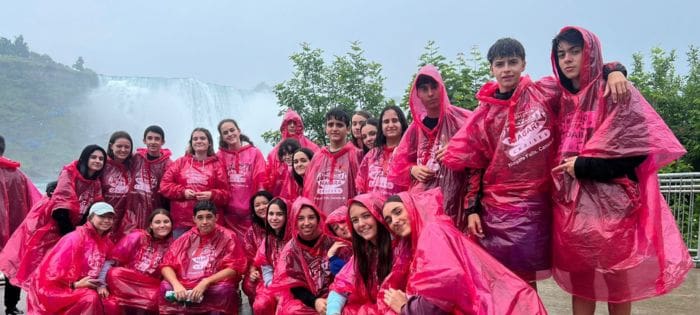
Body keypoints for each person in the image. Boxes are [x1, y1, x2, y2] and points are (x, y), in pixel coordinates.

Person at [549, 26, 692, 315]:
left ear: (590, 53)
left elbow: (637, 153)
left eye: (575, 52)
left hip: (614, 206)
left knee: (616, 279)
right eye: (561, 54)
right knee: (582, 281)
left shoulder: (614, 91)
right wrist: (614, 68)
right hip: (572, 209)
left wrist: (585, 166)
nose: (567, 60)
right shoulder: (558, 97)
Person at [380, 189, 547, 314]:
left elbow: (440, 296)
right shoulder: (426, 235)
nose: (394, 221)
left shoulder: (432, 231)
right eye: (388, 220)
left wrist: (405, 307)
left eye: (398, 212)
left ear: (412, 207)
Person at [1, 145, 106, 290]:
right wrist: (70, 235)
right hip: (48, 223)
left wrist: (79, 232)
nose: (97, 161)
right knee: (28, 261)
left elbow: (92, 209)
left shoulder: (96, 182)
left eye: (101, 159)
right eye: (93, 157)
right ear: (85, 158)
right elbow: (60, 207)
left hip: (69, 227)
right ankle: (15, 306)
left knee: (54, 266)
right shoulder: (69, 173)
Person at [388, 65, 476, 231]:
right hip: (421, 206)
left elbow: (482, 151)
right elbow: (396, 165)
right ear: (418, 94)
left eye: (434, 87)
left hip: (455, 202)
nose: (430, 93)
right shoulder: (415, 128)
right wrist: (412, 170)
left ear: (441, 88)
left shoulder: (462, 119)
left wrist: (458, 149)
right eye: (424, 89)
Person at [27, 202, 116, 314]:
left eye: (110, 217)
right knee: (90, 299)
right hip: (66, 289)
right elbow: (51, 276)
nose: (107, 220)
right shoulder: (74, 239)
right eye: (102, 216)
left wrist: (102, 285)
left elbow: (108, 266)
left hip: (93, 286)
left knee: (112, 303)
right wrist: (76, 285)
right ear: (91, 217)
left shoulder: (107, 243)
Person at [159, 200, 246, 315]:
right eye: (200, 218)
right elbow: (166, 265)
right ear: (194, 219)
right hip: (184, 284)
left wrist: (206, 282)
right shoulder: (185, 238)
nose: (204, 222)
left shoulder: (229, 237)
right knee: (165, 286)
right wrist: (176, 285)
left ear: (216, 217)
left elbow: (234, 268)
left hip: (214, 284)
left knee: (224, 291)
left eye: (209, 217)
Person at [269, 197, 342, 315]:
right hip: (305, 298)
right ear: (294, 221)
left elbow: (344, 275)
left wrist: (334, 299)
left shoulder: (331, 241)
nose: (306, 223)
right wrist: (315, 302)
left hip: (335, 294)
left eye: (311, 217)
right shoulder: (290, 249)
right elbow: (293, 285)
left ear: (318, 219)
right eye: (300, 218)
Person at [326, 193, 396, 315]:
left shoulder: (399, 249)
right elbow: (341, 285)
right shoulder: (364, 252)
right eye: (355, 220)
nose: (361, 224)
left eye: (366, 216)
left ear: (379, 215)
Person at [100, 209, 174, 314]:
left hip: (150, 285)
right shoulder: (137, 236)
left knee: (163, 295)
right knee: (115, 273)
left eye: (166, 222)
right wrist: (101, 284)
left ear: (171, 224)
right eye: (157, 222)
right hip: (128, 282)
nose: (162, 225)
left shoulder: (173, 245)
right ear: (151, 225)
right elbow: (112, 261)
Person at [160, 128, 229, 237]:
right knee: (181, 253)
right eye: (195, 139)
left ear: (209, 143)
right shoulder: (180, 162)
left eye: (202, 138)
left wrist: (212, 194)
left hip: (208, 223)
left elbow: (226, 194)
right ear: (191, 143)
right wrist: (183, 192)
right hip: (182, 223)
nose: (198, 141)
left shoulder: (217, 165)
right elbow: (164, 186)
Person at [0, 135, 41, 315]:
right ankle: (11, 307)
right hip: (15, 231)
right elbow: (36, 201)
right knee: (12, 267)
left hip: (12, 229)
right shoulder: (17, 173)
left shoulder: (16, 173)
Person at [302, 107, 361, 215]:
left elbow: (361, 191)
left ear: (348, 129)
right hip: (321, 220)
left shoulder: (356, 154)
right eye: (330, 124)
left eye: (339, 125)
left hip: (347, 221)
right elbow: (309, 190)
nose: (334, 128)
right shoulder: (318, 157)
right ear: (326, 128)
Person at [216, 118, 267, 237]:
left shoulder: (254, 153)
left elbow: (261, 178)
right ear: (222, 137)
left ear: (239, 131)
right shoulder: (220, 156)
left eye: (232, 130)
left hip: (251, 213)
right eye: (225, 133)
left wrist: (259, 206)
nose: (230, 134)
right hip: (229, 215)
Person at [356, 106, 409, 199]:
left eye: (395, 120)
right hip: (371, 210)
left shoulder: (411, 153)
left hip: (398, 211)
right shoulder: (371, 155)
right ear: (381, 126)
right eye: (386, 122)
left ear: (402, 124)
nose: (390, 125)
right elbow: (360, 186)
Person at [265, 109, 320, 196]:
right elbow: (269, 178)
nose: (292, 126)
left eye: (294, 123)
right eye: (289, 123)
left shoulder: (313, 148)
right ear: (284, 126)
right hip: (281, 199)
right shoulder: (274, 153)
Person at [252, 197, 292, 315]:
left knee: (285, 307)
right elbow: (266, 268)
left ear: (288, 216)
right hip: (273, 283)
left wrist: (283, 290)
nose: (274, 218)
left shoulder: (295, 239)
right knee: (261, 304)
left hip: (294, 286)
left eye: (279, 214)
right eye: (271, 214)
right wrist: (273, 286)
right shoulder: (268, 240)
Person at [129, 125, 173, 231]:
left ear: (163, 142)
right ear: (144, 140)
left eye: (157, 139)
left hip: (156, 211)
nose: (153, 142)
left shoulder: (168, 164)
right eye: (149, 138)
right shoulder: (136, 158)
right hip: (132, 211)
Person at [242, 190, 273, 308]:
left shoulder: (282, 225)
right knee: (249, 284)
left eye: (265, 203)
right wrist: (252, 271)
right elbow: (249, 256)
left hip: (282, 270)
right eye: (257, 205)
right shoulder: (252, 231)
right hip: (261, 270)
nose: (261, 207)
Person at [101, 131, 135, 240]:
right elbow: (80, 169)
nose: (123, 150)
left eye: (127, 147)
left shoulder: (134, 163)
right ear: (111, 146)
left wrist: (188, 152)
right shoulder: (102, 163)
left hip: (126, 218)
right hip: (104, 215)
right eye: (119, 146)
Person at [325, 206, 353, 276]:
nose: (341, 227)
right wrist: (332, 257)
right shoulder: (342, 253)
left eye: (342, 221)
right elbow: (345, 278)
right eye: (336, 228)